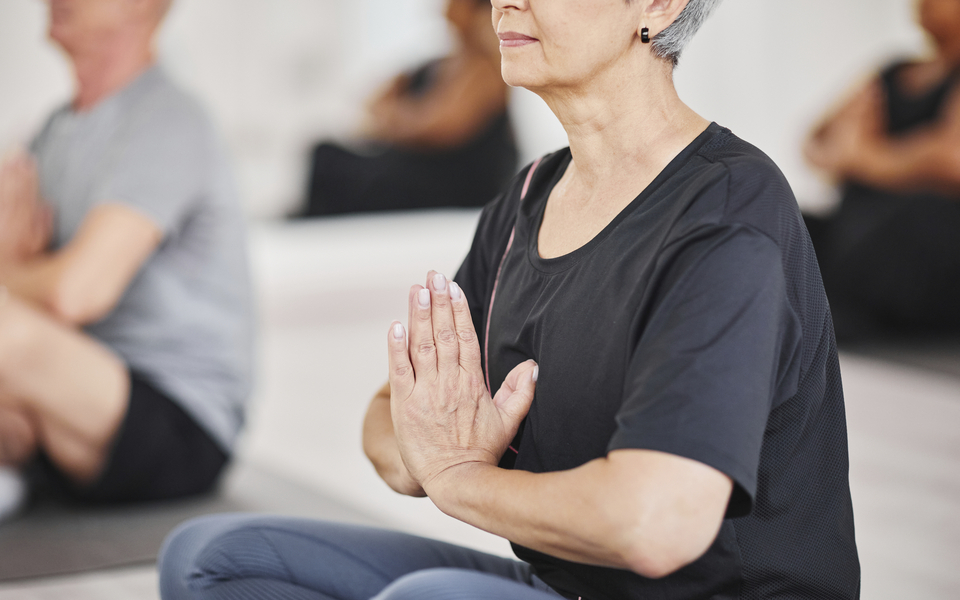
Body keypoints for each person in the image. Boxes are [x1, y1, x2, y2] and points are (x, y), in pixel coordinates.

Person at [159, 0, 860, 598]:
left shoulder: (726, 211)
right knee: (212, 562)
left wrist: (458, 476)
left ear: (657, 4)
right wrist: (433, 450)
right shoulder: (529, 198)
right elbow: (391, 421)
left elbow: (656, 525)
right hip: (567, 584)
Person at [0, 0, 252, 519]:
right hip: (77, 399)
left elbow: (74, 293)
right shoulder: (55, 130)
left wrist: (10, 273)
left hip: (178, 420)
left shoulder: (170, 119)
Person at [803, 0, 960, 342]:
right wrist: (906, 157)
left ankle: (837, 310)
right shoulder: (892, 71)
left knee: (920, 215)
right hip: (859, 226)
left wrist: (862, 158)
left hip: (923, 243)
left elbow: (952, 159)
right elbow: (816, 140)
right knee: (788, 220)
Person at [300, 0, 518, 216]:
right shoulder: (438, 64)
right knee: (325, 154)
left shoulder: (485, 69)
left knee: (341, 170)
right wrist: (401, 118)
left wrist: (394, 121)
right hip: (418, 165)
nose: (446, 8)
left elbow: (438, 128)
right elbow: (375, 102)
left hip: (449, 180)